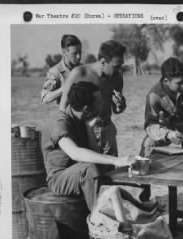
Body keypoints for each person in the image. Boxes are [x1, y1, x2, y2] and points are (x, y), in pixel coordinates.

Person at [42, 81, 134, 212]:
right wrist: (115, 160)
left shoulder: (81, 120)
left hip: (79, 172)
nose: (102, 105)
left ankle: (136, 208)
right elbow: (75, 153)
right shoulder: (60, 123)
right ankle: (99, 220)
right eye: (99, 103)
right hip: (59, 179)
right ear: (86, 108)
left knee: (108, 169)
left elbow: (94, 152)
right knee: (89, 169)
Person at [59, 40, 127, 157]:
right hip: (85, 131)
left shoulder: (117, 78)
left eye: (121, 65)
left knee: (111, 170)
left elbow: (117, 110)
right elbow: (63, 108)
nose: (119, 70)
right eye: (116, 66)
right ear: (103, 62)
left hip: (107, 129)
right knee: (92, 170)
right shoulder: (79, 73)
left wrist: (121, 105)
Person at [41, 34, 82, 105]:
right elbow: (45, 98)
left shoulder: (83, 69)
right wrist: (64, 89)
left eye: (80, 52)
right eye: (75, 53)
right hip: (64, 115)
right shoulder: (55, 72)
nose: (78, 56)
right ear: (64, 52)